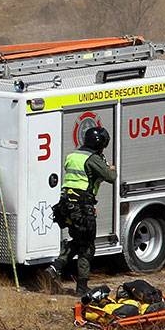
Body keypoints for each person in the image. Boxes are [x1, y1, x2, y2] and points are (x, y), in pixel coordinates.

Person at [45, 126, 117, 296]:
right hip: (82, 207)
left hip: (66, 207)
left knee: (78, 241)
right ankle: (82, 288)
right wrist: (109, 168)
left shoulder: (72, 156)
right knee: (87, 247)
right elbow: (111, 177)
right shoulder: (93, 158)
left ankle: (55, 267)